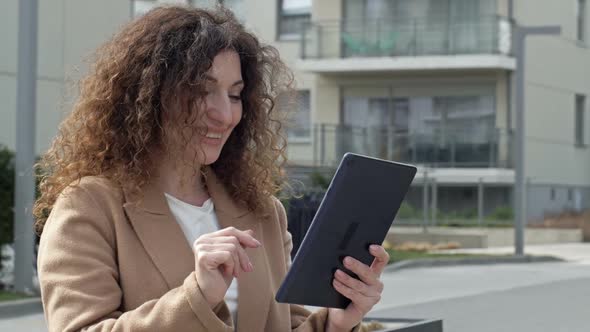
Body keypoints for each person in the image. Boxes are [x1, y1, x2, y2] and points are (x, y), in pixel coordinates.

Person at [34, 5, 389, 332]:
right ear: (149, 96)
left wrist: (336, 323)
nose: (224, 114)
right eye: (202, 91)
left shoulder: (263, 212)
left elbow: (286, 325)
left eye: (235, 95)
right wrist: (197, 297)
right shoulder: (90, 206)